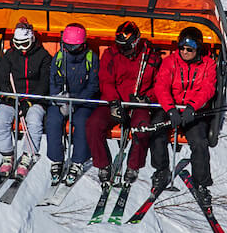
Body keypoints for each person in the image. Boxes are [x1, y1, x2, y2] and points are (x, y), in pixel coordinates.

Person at [84, 21, 161, 189]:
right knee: (93, 124)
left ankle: (133, 165)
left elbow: (158, 83)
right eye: (120, 46)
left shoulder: (150, 57)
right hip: (115, 101)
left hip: (138, 103)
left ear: (135, 42)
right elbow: (105, 80)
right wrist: (113, 101)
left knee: (142, 127)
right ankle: (103, 164)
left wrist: (147, 98)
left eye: (126, 47)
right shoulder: (111, 54)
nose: (122, 50)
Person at [149, 26, 219, 196]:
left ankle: (201, 182)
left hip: (193, 110)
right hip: (171, 107)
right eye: (182, 48)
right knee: (156, 129)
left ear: (198, 48)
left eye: (190, 49)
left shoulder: (208, 64)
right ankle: (161, 170)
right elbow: (161, 86)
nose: (185, 52)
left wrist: (192, 107)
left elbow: (208, 89)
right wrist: (170, 109)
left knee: (199, 141)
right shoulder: (170, 61)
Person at [0, 20, 51, 178]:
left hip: (35, 99)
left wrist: (31, 100)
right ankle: (7, 155)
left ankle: (28, 155)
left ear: (31, 40)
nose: (21, 48)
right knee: (1, 120)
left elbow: (45, 81)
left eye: (24, 44)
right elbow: (3, 79)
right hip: (13, 98)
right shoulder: (9, 56)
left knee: (34, 119)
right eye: (17, 44)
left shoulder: (43, 56)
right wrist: (11, 97)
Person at [44, 23, 98, 184]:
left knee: (82, 122)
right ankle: (56, 160)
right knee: (53, 119)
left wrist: (75, 100)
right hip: (63, 99)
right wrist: (59, 98)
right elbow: (53, 81)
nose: (70, 50)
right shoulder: (60, 58)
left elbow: (93, 85)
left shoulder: (91, 58)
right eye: (68, 46)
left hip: (83, 101)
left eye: (74, 47)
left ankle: (78, 161)